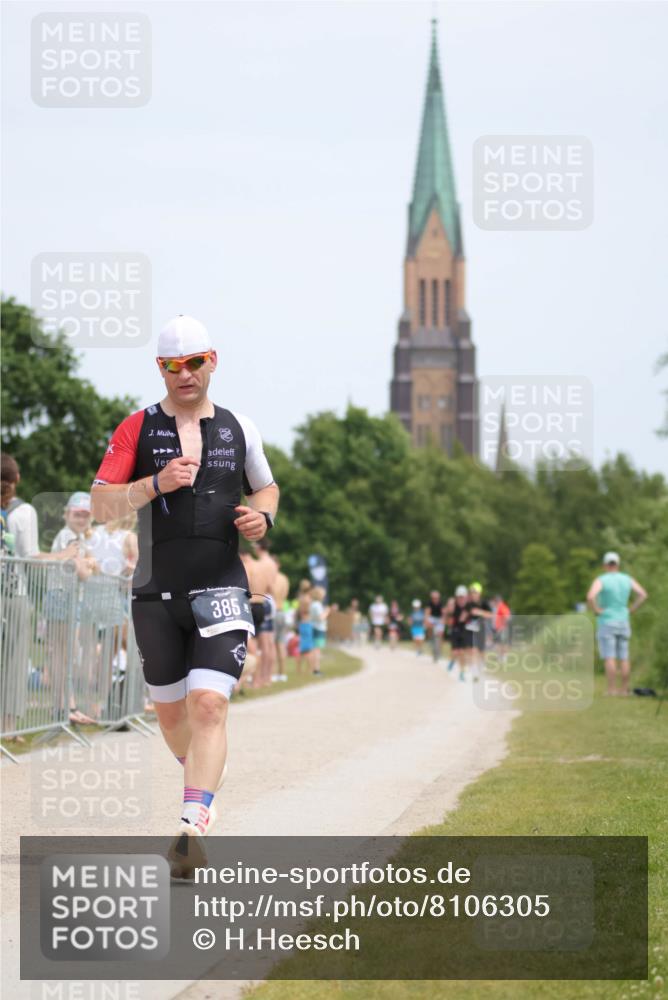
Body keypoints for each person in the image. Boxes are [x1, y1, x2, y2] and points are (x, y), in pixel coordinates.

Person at [90, 314, 279, 872]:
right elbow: (101, 505)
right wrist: (155, 483)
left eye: (194, 363)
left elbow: (265, 486)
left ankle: (191, 826)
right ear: (160, 370)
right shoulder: (136, 428)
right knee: (173, 720)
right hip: (153, 593)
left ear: (212, 361)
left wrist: (261, 517)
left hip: (221, 585)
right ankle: (204, 773)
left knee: (209, 705)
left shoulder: (240, 428)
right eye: (173, 366)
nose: (185, 375)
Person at [587, 552, 648, 696]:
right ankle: (624, 690)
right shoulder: (627, 579)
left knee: (609, 656)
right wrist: (631, 609)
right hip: (623, 620)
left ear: (605, 565)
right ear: (618, 564)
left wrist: (597, 610)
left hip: (607, 620)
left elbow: (590, 596)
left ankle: (611, 690)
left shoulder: (601, 579)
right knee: (624, 656)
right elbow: (643, 594)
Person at [466, 582, 493, 681]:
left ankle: (481, 666)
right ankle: (474, 672)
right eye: (472, 592)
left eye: (475, 592)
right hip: (470, 629)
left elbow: (491, 615)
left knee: (481, 651)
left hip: (481, 629)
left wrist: (480, 612)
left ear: (479, 593)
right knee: (473, 650)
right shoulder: (468, 604)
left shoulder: (484, 603)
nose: (473, 594)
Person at [270, 557, 290, 682]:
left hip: (273, 613)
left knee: (270, 645)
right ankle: (282, 673)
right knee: (281, 644)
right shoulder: (285, 579)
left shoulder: (272, 578)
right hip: (282, 612)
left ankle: (270, 673)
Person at [447, 586, 471, 680]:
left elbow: (466, 617)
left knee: (462, 652)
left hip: (464, 631)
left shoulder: (468, 606)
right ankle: (452, 661)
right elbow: (449, 613)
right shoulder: (453, 605)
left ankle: (461, 673)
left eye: (463, 597)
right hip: (455, 630)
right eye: (459, 597)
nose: (461, 599)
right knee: (455, 652)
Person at [310, 585, 329, 674]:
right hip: (319, 629)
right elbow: (321, 618)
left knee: (315, 649)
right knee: (317, 650)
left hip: (314, 627)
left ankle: (314, 668)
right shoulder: (317, 605)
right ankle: (316, 669)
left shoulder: (313, 604)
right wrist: (327, 612)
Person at [425, 589, 446, 662]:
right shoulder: (429, 603)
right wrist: (427, 621)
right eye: (433, 598)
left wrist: (443, 621)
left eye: (436, 598)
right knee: (428, 625)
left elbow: (443, 614)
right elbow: (427, 613)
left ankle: (439, 650)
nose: (435, 599)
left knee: (440, 634)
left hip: (439, 618)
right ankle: (430, 638)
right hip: (432, 618)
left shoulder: (441, 603)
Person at [492, 594, 511, 658]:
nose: (495, 602)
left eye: (496, 601)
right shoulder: (499, 607)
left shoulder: (502, 607)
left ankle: (503, 657)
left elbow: (506, 618)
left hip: (501, 628)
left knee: (502, 643)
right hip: (497, 628)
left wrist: (502, 626)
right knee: (498, 643)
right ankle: (500, 656)